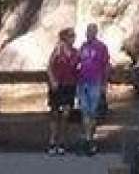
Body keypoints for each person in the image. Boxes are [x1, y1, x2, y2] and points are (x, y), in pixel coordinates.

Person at [76, 22, 110, 154]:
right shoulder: (83, 46)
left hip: (95, 82)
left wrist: (104, 83)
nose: (88, 34)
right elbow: (77, 61)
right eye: (87, 31)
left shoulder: (101, 47)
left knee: (93, 111)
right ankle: (88, 139)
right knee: (85, 110)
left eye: (91, 31)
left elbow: (106, 66)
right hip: (82, 82)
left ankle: (90, 139)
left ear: (95, 33)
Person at [46, 27, 78, 154]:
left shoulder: (76, 52)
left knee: (66, 114)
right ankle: (52, 141)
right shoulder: (58, 51)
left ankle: (62, 141)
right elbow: (49, 66)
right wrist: (52, 80)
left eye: (74, 36)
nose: (73, 38)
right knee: (54, 113)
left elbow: (79, 67)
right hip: (57, 85)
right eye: (71, 36)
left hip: (70, 86)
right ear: (65, 37)